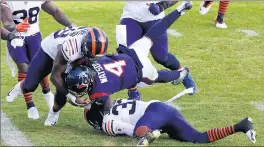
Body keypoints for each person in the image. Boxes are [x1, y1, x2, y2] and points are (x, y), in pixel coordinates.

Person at [47, 1, 194, 127]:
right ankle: (180, 11)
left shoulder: (98, 91)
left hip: (140, 71)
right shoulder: (92, 63)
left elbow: (107, 106)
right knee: (152, 35)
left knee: (155, 77)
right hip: (131, 54)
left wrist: (87, 105)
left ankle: (181, 73)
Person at [5, 26, 107, 121]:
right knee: (30, 86)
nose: (93, 57)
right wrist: (73, 97)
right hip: (50, 51)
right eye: (91, 53)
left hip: (74, 54)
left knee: (74, 82)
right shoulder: (70, 47)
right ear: (85, 45)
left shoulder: (93, 43)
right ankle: (21, 85)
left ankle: (53, 113)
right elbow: (55, 77)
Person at [2, 0, 72, 119]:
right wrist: (16, 27)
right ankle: (30, 105)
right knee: (24, 67)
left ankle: (46, 92)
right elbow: (7, 23)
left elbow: (55, 11)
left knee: (40, 65)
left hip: (34, 36)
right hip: (15, 36)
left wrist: (71, 26)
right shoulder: (6, 2)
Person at [84, 99, 256, 146]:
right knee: (198, 138)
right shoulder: (114, 103)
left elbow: (134, 130)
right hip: (162, 110)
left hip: (154, 114)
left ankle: (155, 133)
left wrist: (147, 135)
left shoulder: (107, 122)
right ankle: (242, 126)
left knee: (140, 130)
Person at [118, 1, 197, 100]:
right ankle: (133, 92)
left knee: (161, 56)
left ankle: (183, 74)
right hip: (130, 16)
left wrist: (162, 5)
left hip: (155, 17)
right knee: (127, 57)